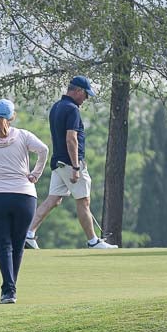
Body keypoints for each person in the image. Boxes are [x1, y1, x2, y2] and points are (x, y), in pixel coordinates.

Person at [24, 75, 117, 250]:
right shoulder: (72, 109)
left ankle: (28, 234)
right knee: (83, 201)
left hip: (58, 162)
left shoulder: (56, 107)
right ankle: (93, 241)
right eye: (85, 94)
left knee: (54, 199)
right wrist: (76, 167)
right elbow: (71, 139)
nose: (86, 98)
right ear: (78, 91)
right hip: (69, 163)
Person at [0, 99, 49, 303]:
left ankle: (8, 290)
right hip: (25, 197)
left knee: (3, 245)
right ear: (12, 116)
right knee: (17, 245)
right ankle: (9, 289)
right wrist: (35, 174)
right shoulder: (23, 135)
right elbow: (43, 150)